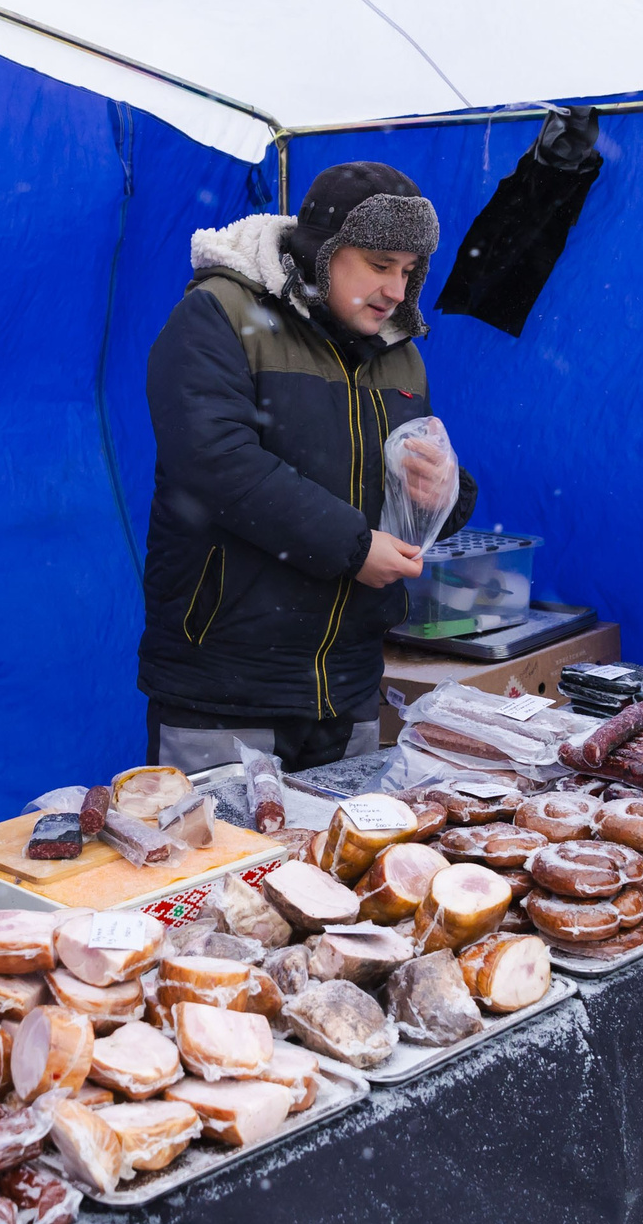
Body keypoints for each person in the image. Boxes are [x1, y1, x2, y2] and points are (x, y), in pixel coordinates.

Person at [138, 161, 476, 772]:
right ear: (323, 253)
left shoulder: (400, 355)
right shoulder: (220, 316)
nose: (397, 292)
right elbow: (217, 465)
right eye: (379, 266)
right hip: (226, 690)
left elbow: (406, 491)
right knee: (223, 864)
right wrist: (352, 547)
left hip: (348, 690)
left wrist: (445, 491)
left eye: (407, 271)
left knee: (332, 866)